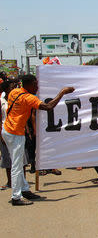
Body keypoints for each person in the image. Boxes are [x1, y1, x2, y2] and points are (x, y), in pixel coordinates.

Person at [2, 75, 74, 205]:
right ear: (28, 85)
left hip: (8, 130)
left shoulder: (15, 92)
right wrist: (62, 92)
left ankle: (24, 190)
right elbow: (48, 106)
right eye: (35, 84)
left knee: (19, 163)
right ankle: (16, 197)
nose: (37, 87)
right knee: (17, 166)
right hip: (15, 133)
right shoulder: (28, 98)